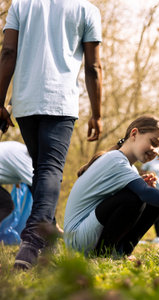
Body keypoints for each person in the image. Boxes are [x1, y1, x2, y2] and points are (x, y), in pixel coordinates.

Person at [0, 0, 103, 270]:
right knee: (49, 170)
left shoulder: (20, 5)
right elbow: (94, 68)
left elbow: (8, 51)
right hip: (60, 102)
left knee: (41, 170)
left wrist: (0, 101)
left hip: (25, 102)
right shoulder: (87, 10)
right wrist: (97, 113)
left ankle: (48, 233)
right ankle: (33, 241)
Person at [64, 116, 159, 257]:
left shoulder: (128, 167)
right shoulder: (116, 160)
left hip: (88, 233)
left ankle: (120, 253)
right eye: (154, 143)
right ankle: (103, 254)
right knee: (136, 198)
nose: (156, 151)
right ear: (134, 134)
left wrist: (138, 187)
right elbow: (144, 193)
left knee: (155, 203)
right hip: (77, 240)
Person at [0, 141, 33, 224]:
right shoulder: (25, 159)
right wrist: (52, 221)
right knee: (6, 204)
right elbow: (38, 188)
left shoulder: (19, 149)